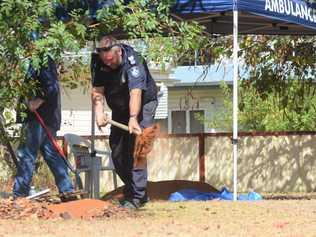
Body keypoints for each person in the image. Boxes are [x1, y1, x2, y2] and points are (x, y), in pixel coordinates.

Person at [91, 36, 158, 209]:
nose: (109, 64)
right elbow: (97, 91)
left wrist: (133, 118)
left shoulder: (134, 62)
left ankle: (137, 197)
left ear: (118, 51)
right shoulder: (99, 63)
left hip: (143, 104)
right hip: (120, 107)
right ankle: (131, 190)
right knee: (118, 152)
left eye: (111, 60)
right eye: (105, 61)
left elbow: (136, 93)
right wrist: (99, 113)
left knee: (137, 147)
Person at [13, 56, 74, 198]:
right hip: (47, 119)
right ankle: (67, 189)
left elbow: (51, 86)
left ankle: (20, 194)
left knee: (26, 154)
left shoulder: (42, 60)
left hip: (39, 119)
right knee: (52, 154)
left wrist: (36, 101)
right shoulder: (37, 62)